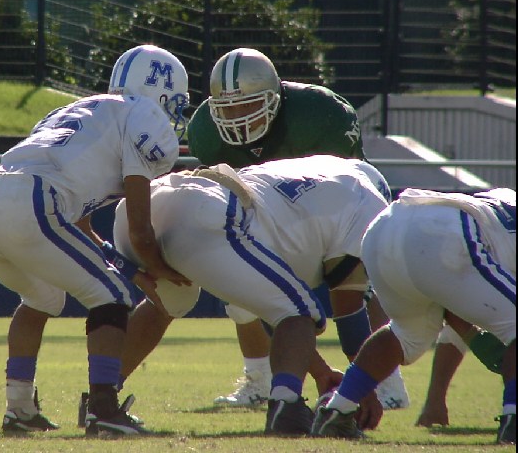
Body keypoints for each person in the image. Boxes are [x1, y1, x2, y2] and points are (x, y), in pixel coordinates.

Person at [133, 47, 408, 410]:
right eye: (228, 109)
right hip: (263, 209)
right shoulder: (207, 132)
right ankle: (260, 379)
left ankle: (386, 382)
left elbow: (347, 187)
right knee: (242, 290)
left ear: (274, 98)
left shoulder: (319, 114)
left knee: (359, 285)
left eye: (247, 106)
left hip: (322, 207)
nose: (238, 118)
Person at [0, 44, 192, 437]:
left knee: (43, 298)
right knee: (112, 295)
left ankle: (19, 409)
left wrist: (133, 271)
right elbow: (140, 230)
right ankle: (103, 409)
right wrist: (157, 267)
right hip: (29, 201)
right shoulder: (143, 116)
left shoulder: (77, 110)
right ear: (162, 92)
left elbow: (80, 229)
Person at [110, 155, 391, 435]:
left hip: (147, 205)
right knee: (300, 312)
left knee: (166, 304)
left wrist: (321, 372)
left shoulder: (311, 175)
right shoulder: (367, 200)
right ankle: (287, 408)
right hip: (206, 209)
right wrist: (360, 389)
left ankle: (102, 400)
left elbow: (267, 306)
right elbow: (349, 313)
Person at [311, 188, 515, 445]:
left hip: (385, 227)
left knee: (405, 334)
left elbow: (461, 307)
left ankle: (338, 411)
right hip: (443, 231)